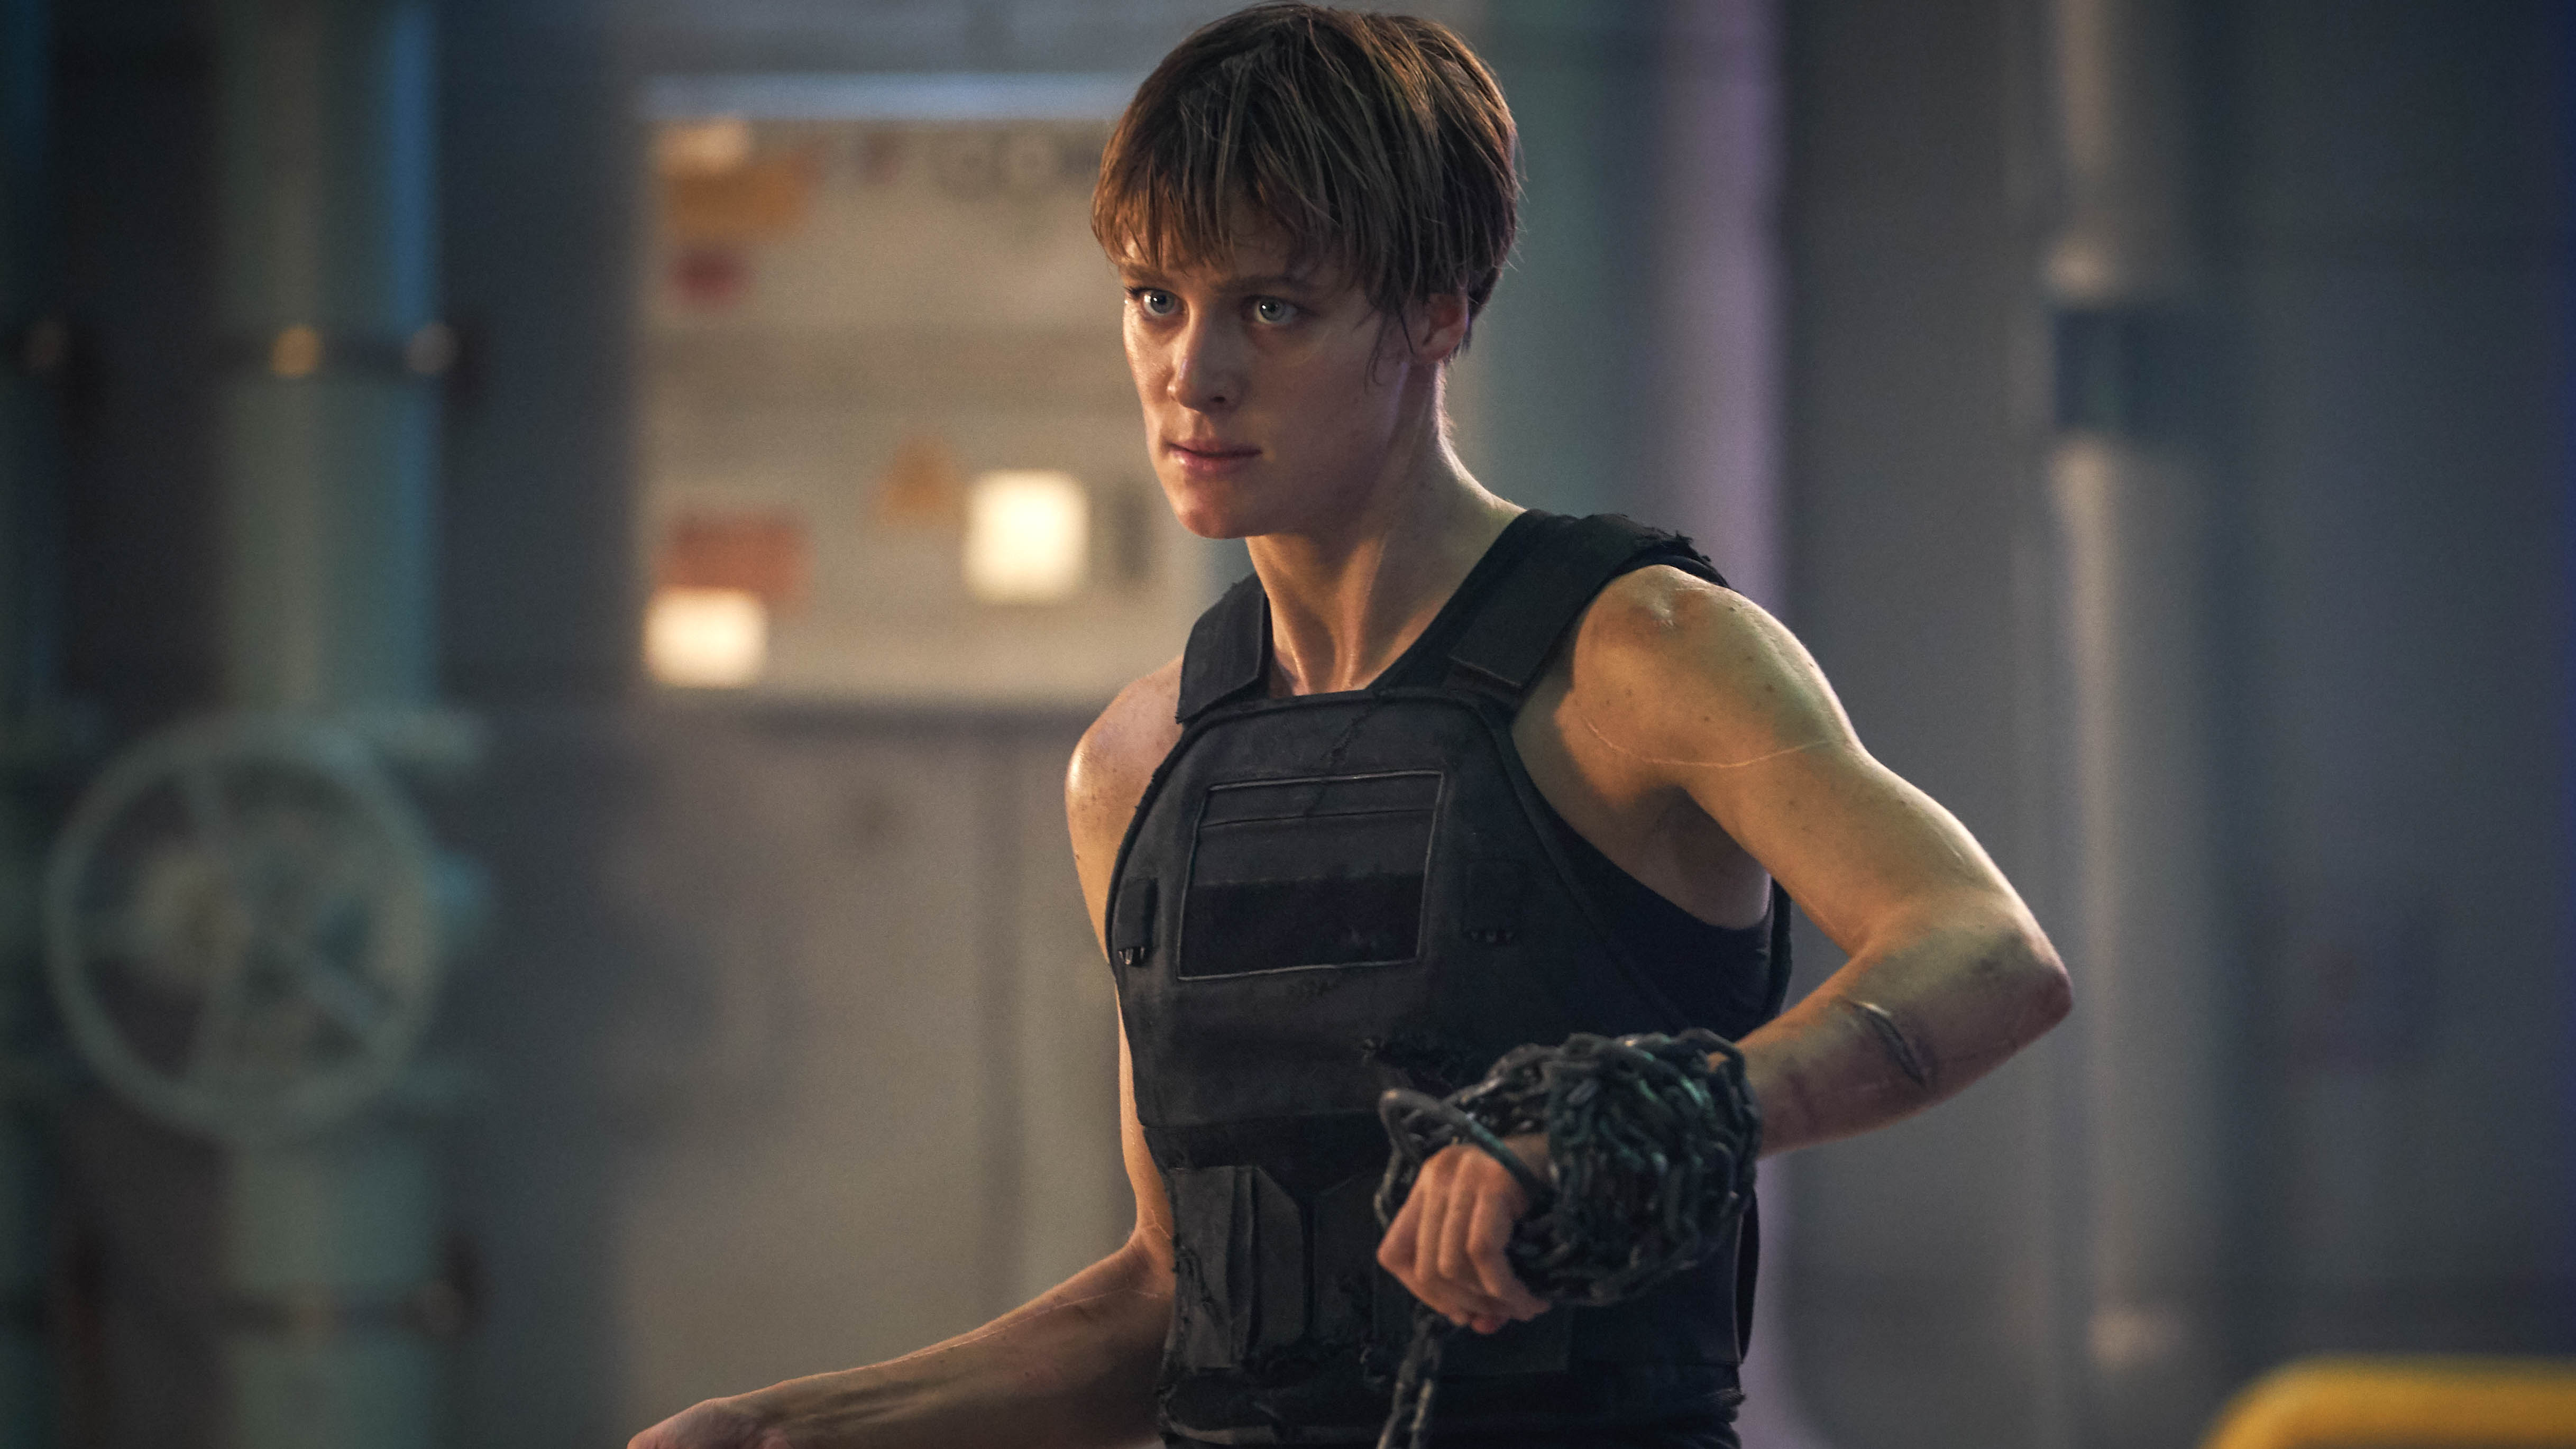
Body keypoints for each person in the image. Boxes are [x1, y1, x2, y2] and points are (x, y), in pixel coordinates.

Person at [631, 5, 2071, 1448]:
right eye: (1155, 299)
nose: (1194, 373)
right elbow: (1165, 1300)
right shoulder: (1139, 764)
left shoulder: (1639, 654)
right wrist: (772, 1430)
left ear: (1437, 311)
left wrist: (1655, 1119)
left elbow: (1989, 955)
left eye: (1273, 308)